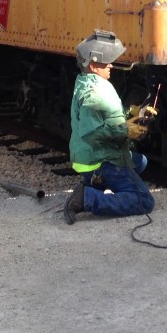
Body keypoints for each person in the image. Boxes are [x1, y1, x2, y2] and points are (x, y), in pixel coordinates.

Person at [63, 30, 155, 224]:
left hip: (95, 155)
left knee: (141, 161)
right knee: (144, 201)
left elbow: (107, 116)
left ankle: (92, 183)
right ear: (94, 65)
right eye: (107, 62)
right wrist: (126, 130)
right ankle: (87, 198)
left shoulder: (91, 82)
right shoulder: (93, 94)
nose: (111, 65)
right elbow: (91, 133)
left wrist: (133, 113)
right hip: (99, 160)